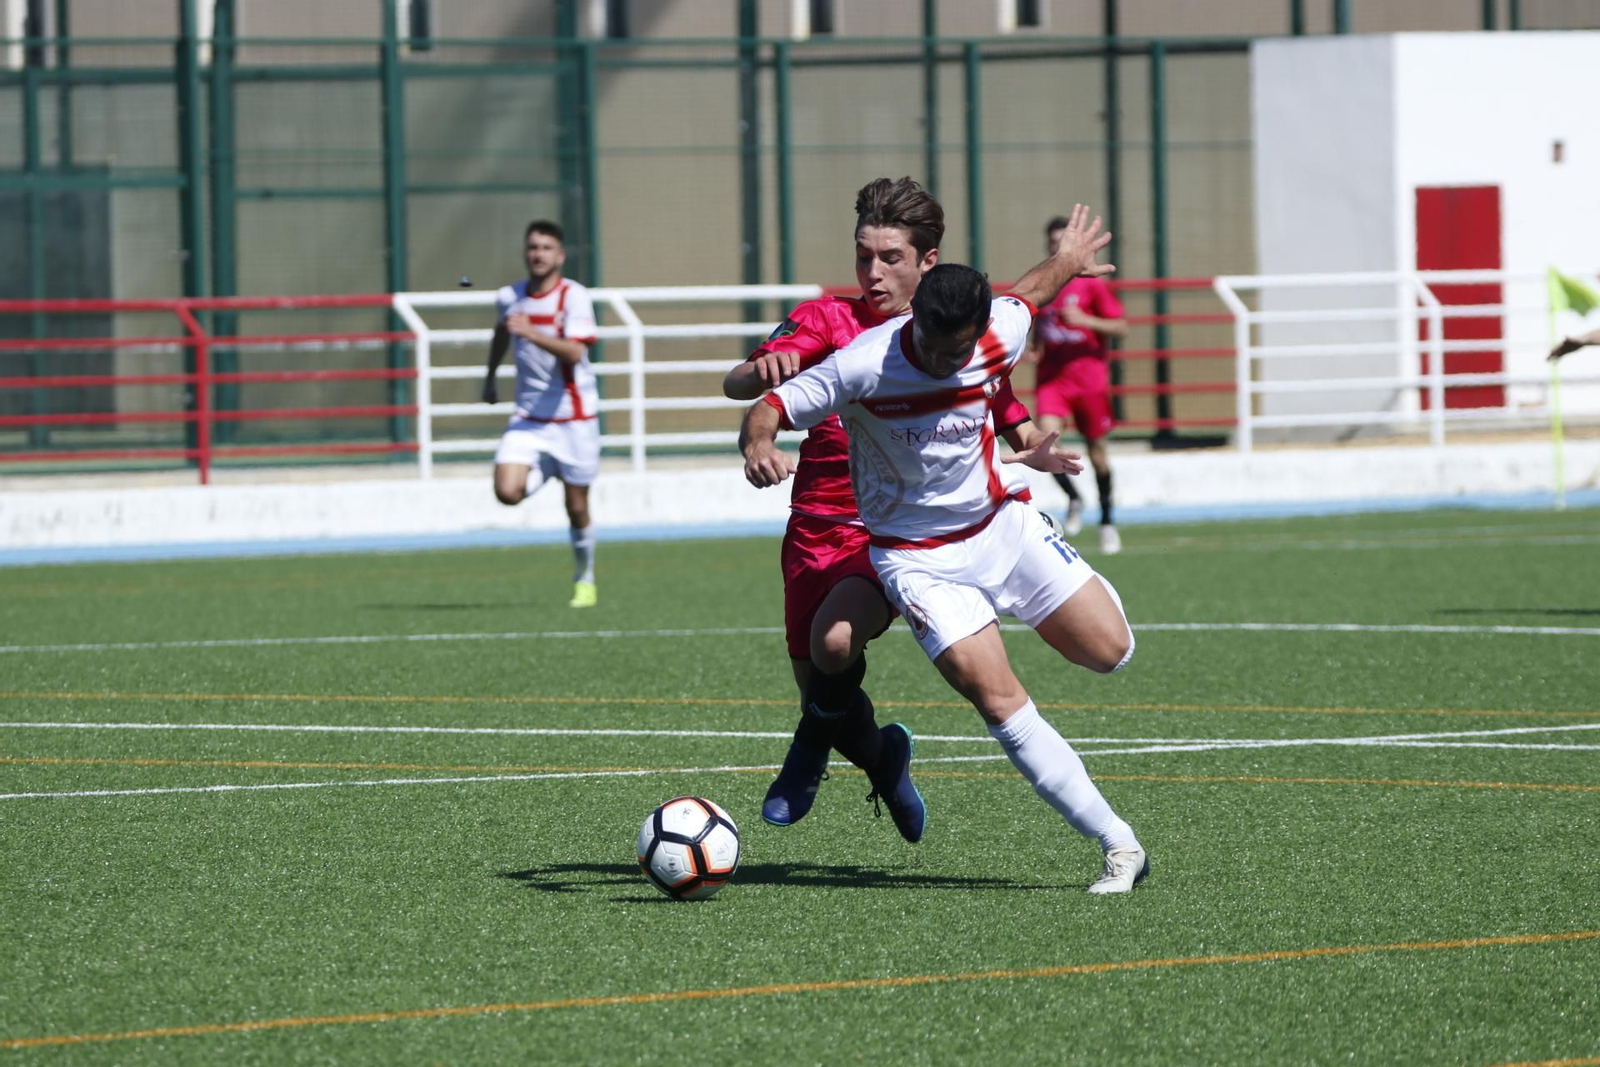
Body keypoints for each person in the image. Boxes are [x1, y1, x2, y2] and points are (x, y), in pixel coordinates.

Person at [741, 205, 1149, 894]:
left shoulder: (999, 330)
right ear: (917, 322)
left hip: (1003, 528)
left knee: (1110, 651)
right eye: (935, 346)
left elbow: (1034, 289)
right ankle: (1119, 844)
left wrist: (1070, 259)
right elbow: (770, 407)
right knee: (997, 698)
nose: (947, 361)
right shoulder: (865, 363)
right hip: (918, 561)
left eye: (961, 349)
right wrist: (758, 445)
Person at [723, 176, 1046, 842]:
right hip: (814, 527)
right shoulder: (824, 319)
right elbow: (740, 385)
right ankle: (884, 758)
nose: (872, 272)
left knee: (836, 643)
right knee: (823, 690)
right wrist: (763, 377)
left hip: (892, 533)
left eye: (890, 258)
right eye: (862, 255)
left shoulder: (950, 334)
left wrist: (1035, 446)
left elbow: (1005, 406)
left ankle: (804, 755)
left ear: (928, 261)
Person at [482, 220, 601, 608]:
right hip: (529, 418)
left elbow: (576, 352)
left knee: (577, 507)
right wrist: (490, 376)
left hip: (574, 419)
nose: (539, 254)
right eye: (533, 247)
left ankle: (585, 579)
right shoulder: (510, 296)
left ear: (560, 256)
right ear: (525, 252)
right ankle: (546, 468)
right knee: (507, 492)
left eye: (547, 248)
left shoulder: (573, 297)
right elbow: (502, 333)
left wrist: (532, 332)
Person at [1029, 214, 1130, 553]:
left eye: (1063, 241)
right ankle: (1074, 498)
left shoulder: (1092, 285)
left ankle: (1107, 521)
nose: (1057, 247)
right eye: (1052, 242)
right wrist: (1034, 346)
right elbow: (1036, 319)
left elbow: (1121, 327)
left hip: (1089, 382)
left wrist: (1086, 320)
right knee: (1045, 445)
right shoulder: (1043, 282)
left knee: (1098, 454)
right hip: (1053, 380)